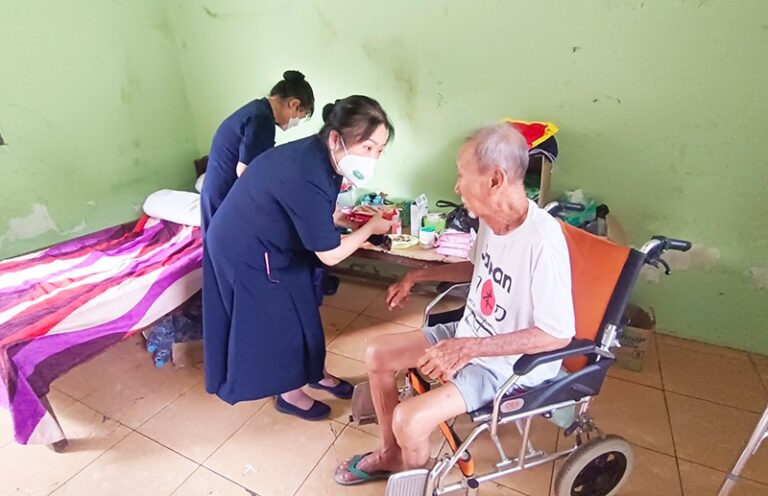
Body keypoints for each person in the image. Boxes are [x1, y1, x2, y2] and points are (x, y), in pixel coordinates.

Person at [335, 124, 576, 484]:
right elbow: (476, 267)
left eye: (462, 175)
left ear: (494, 180)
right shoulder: (491, 221)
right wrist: (416, 276)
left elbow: (557, 334)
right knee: (377, 354)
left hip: (507, 365)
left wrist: (469, 348)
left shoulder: (542, 240)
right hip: (470, 333)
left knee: (409, 419)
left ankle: (415, 482)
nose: (456, 186)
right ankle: (391, 455)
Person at [203, 95, 395, 420]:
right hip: (246, 248)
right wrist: (370, 228)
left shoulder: (325, 158)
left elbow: (315, 210)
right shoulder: (305, 169)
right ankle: (289, 393)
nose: (373, 158)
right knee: (281, 322)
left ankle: (316, 373)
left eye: (379, 150)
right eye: (367, 147)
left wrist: (352, 222)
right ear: (336, 138)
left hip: (275, 240)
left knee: (304, 308)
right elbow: (330, 254)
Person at [200, 70, 315, 232]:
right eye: (299, 117)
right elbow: (246, 172)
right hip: (225, 201)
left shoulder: (256, 110)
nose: (295, 123)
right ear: (294, 104)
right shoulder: (261, 119)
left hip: (218, 196)